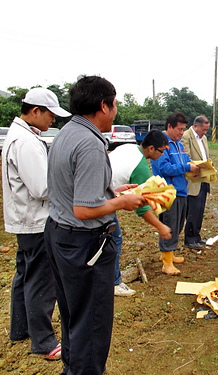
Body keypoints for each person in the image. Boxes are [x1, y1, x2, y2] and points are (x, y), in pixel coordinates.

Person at [44, 75, 146, 375]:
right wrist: (121, 204)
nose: (116, 112)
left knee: (74, 315)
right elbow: (84, 209)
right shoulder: (89, 143)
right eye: (114, 106)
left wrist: (113, 193)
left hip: (60, 235)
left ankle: (72, 369)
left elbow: (75, 189)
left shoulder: (66, 132)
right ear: (104, 105)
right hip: (84, 245)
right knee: (92, 322)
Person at [2, 88, 71, 360]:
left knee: (25, 276)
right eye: (50, 115)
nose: (52, 121)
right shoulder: (26, 142)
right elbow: (42, 187)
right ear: (34, 112)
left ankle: (20, 329)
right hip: (36, 220)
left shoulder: (20, 135)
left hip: (25, 219)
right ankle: (43, 341)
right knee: (41, 282)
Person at [109, 130, 172, 296]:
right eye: (161, 150)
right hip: (102, 199)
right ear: (151, 148)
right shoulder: (141, 167)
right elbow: (142, 208)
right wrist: (160, 227)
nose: (163, 153)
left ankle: (111, 277)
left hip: (102, 192)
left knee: (110, 239)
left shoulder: (130, 147)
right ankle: (114, 283)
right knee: (114, 239)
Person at [151, 112, 200, 275]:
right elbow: (164, 168)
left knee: (178, 224)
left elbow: (184, 161)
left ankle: (168, 254)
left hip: (181, 191)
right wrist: (187, 168)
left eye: (183, 129)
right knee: (169, 224)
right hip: (167, 191)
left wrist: (195, 166)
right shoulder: (161, 144)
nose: (181, 132)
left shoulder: (178, 145)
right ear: (169, 127)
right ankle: (166, 262)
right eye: (179, 129)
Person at [181, 115, 211, 249]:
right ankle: (190, 238)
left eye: (206, 130)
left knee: (200, 209)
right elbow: (185, 157)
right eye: (203, 130)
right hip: (192, 179)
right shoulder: (186, 136)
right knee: (192, 209)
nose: (205, 133)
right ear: (195, 126)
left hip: (204, 177)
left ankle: (197, 235)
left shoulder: (203, 138)